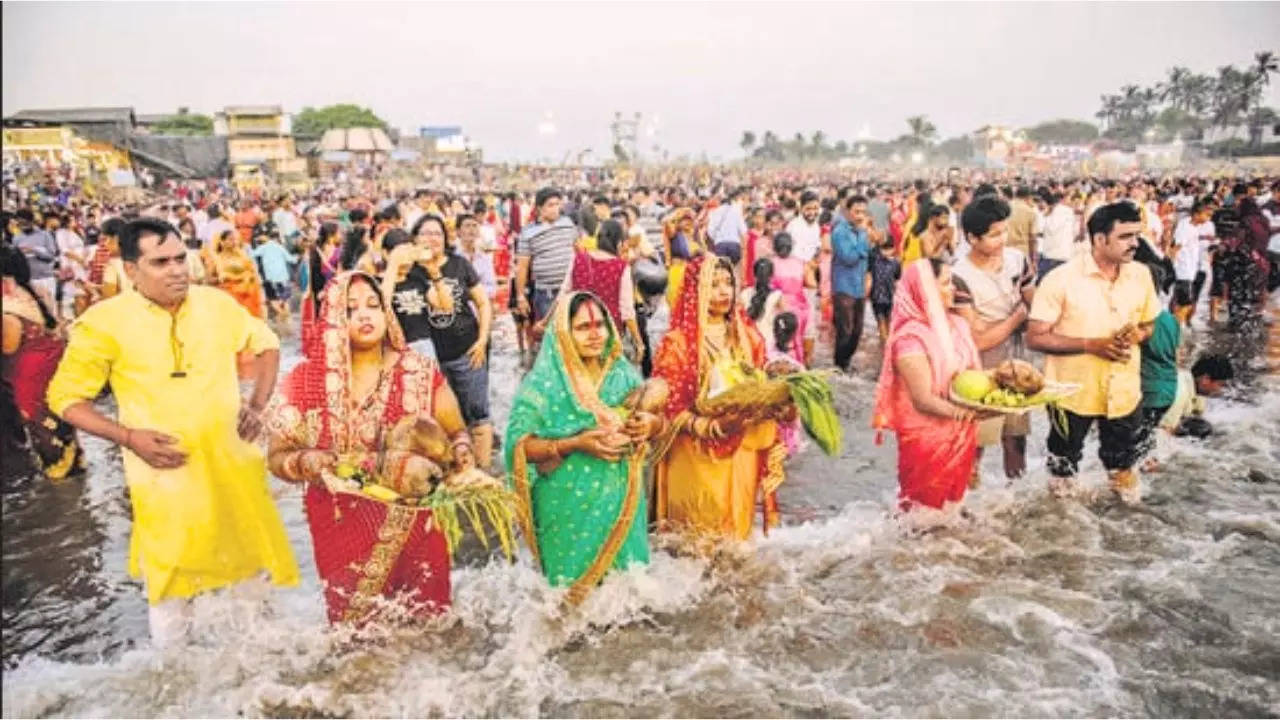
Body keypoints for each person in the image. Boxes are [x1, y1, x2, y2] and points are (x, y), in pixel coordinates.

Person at [46, 218, 297, 647]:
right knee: (171, 586)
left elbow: (267, 343)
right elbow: (65, 398)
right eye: (160, 262)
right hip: (164, 474)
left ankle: (263, 685)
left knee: (252, 573)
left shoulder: (215, 304)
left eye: (181, 258)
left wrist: (257, 405)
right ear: (131, 269)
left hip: (234, 465)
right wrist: (129, 438)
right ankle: (174, 688)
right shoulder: (104, 323)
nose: (177, 270)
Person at [267, 271, 471, 624]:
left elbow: (456, 432)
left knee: (429, 631)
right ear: (331, 319)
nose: (365, 315)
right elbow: (276, 457)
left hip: (416, 529)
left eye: (374, 305)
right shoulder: (303, 381)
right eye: (350, 309)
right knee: (357, 644)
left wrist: (463, 453)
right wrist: (305, 461)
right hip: (342, 531)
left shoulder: (418, 371)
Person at [505, 291, 664, 603]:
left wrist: (651, 425)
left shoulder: (622, 374)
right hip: (566, 506)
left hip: (623, 503)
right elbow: (518, 448)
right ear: (563, 333)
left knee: (629, 601)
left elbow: (661, 425)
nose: (595, 334)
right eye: (582, 327)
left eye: (600, 324)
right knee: (568, 604)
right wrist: (575, 443)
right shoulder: (542, 385)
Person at [1027, 202, 1161, 504]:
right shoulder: (1061, 279)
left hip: (1124, 391)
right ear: (1099, 240)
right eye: (1125, 237)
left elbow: (1149, 323)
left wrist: (1137, 334)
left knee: (1124, 464)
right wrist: (1091, 345)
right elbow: (1035, 337)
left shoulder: (1140, 275)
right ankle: (1064, 527)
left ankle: (1127, 526)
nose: (1135, 244)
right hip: (1072, 392)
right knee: (1063, 464)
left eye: (1136, 235)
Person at [653, 256, 787, 540]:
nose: (724, 292)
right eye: (713, 285)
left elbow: (759, 382)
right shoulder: (678, 342)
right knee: (696, 540)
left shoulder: (749, 337)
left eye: (728, 283)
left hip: (741, 447)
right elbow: (669, 408)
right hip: (696, 454)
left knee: (737, 539)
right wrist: (710, 427)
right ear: (695, 291)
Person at [385, 214, 495, 470]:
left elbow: (482, 303)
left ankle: (484, 475)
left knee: (478, 414)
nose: (432, 238)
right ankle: (454, 475)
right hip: (430, 358)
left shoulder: (458, 265)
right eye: (425, 233)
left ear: (446, 238)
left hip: (467, 350)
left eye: (437, 233)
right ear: (414, 240)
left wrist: (482, 340)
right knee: (443, 422)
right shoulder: (409, 272)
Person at [872, 258, 982, 512]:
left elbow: (971, 377)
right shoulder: (910, 338)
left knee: (953, 511)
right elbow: (923, 399)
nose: (953, 289)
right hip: (927, 439)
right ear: (926, 291)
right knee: (923, 518)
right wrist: (966, 413)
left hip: (961, 431)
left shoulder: (956, 325)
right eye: (945, 283)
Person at [952, 195, 1035, 482]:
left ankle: (1016, 496)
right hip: (980, 366)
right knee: (976, 440)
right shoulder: (958, 275)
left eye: (1005, 231)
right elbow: (978, 340)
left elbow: (1034, 304)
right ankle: (967, 495)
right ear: (972, 238)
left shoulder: (1016, 260)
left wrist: (1024, 315)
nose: (1002, 239)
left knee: (1016, 437)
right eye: (994, 234)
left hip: (1016, 360)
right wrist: (1017, 316)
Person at [2, 246, 83, 481]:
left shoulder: (7, 308)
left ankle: (58, 475)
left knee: (39, 423)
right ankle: (74, 465)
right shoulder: (37, 290)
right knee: (59, 417)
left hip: (28, 373)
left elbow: (9, 347)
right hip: (52, 364)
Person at [550, 219, 646, 362]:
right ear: (618, 242)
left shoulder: (579, 258)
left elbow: (563, 293)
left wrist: (547, 320)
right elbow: (627, 311)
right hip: (608, 330)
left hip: (578, 326)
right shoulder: (621, 267)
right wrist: (639, 342)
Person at [516, 187, 579, 324]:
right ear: (539, 208)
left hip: (570, 289)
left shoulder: (567, 223)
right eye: (550, 205)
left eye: (557, 204)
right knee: (551, 334)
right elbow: (522, 267)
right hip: (547, 293)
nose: (555, 208)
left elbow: (578, 250)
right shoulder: (528, 232)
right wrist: (520, 296)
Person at [830, 195, 874, 373]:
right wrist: (864, 234)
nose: (860, 216)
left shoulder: (860, 230)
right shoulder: (840, 232)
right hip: (843, 287)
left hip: (858, 287)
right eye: (857, 212)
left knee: (857, 331)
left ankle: (845, 362)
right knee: (845, 331)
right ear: (847, 212)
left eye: (863, 212)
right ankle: (839, 366)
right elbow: (849, 258)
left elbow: (867, 256)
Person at [784, 192, 822, 364]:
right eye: (809, 209)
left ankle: (806, 362)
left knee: (810, 321)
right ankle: (795, 360)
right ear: (800, 207)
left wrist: (814, 263)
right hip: (793, 279)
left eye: (815, 208)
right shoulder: (793, 226)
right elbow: (788, 254)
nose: (812, 212)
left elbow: (817, 249)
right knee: (796, 321)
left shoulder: (816, 226)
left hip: (809, 278)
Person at [768, 232, 813, 366]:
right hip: (800, 307)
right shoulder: (800, 263)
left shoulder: (770, 263)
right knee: (800, 339)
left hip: (779, 306)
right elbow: (811, 283)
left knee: (782, 340)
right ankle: (800, 365)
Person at [204, 228, 265, 318]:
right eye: (230, 239)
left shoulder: (243, 257)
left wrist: (248, 278)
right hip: (229, 298)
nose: (234, 242)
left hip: (248, 296)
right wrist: (226, 279)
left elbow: (253, 273)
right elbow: (208, 280)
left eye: (235, 239)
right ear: (222, 242)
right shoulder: (217, 260)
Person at [1170, 200, 1213, 327]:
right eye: (1206, 215)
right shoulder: (1185, 227)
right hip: (1183, 272)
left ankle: (1177, 327)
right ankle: (1178, 330)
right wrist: (1171, 267)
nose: (1208, 218)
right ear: (1196, 214)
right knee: (1184, 304)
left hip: (1190, 271)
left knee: (1181, 303)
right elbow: (1176, 248)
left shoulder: (1193, 227)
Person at [12, 209, 60, 313]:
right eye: (19, 223)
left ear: (31, 221)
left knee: (50, 312)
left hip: (45, 278)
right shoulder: (16, 238)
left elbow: (51, 256)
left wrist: (34, 250)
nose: (22, 226)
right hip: (29, 281)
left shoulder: (45, 235)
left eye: (24, 223)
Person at [251, 228, 296, 326]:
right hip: (284, 277)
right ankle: (288, 321)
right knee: (285, 299)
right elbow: (291, 260)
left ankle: (282, 315)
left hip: (271, 278)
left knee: (273, 299)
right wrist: (299, 256)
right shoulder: (280, 247)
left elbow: (252, 254)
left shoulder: (264, 247)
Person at [741, 257, 785, 355]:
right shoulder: (777, 295)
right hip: (769, 343)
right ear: (772, 275)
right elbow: (784, 321)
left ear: (754, 274)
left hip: (747, 341)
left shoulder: (744, 293)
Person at [706, 186, 748, 264]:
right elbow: (743, 231)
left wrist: (716, 238)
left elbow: (710, 230)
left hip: (720, 246)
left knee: (722, 270)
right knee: (733, 270)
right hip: (734, 246)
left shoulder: (715, 212)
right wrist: (743, 248)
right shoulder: (736, 211)